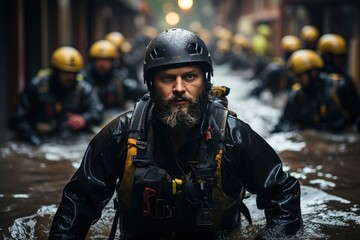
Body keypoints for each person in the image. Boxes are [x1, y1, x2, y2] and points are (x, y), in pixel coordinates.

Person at [49, 28, 302, 239]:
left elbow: (283, 195)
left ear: (205, 81)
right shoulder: (121, 134)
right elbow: (79, 201)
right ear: (151, 84)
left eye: (190, 77)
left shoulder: (234, 136)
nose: (179, 88)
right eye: (167, 78)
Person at [9, 46, 104, 146]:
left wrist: (84, 118)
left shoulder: (84, 89)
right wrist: (34, 140)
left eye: (73, 73)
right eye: (66, 73)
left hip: (72, 140)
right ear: (55, 71)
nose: (70, 77)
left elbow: (98, 112)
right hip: (40, 139)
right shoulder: (37, 87)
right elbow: (17, 118)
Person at [272, 49, 360, 133]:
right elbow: (284, 123)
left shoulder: (340, 86)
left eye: (299, 76)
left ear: (313, 73)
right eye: (295, 77)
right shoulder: (296, 94)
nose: (297, 80)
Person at [82, 39, 147, 110]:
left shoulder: (119, 79)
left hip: (116, 118)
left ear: (112, 61)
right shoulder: (85, 80)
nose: (102, 64)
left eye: (106, 60)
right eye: (98, 60)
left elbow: (140, 93)